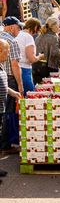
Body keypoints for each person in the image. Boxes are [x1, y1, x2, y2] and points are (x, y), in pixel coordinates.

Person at [0, 17, 23, 155]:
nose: (18, 30)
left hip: (5, 80)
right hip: (9, 78)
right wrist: (20, 85)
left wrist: (12, 92)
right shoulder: (11, 42)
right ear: (11, 26)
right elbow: (15, 64)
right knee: (7, 116)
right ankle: (5, 144)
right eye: (17, 27)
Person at [0, 38, 21, 181]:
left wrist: (12, 92)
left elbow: (2, 85)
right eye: (6, 51)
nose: (8, 54)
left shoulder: (1, 66)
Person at [15, 18, 42, 95]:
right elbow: (32, 59)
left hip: (16, 68)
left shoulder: (18, 34)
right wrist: (40, 57)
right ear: (35, 27)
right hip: (25, 70)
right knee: (30, 96)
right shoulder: (28, 37)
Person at [33, 17, 60, 82]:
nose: (59, 27)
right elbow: (54, 53)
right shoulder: (53, 37)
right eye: (58, 25)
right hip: (47, 67)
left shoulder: (40, 35)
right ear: (54, 26)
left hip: (36, 65)